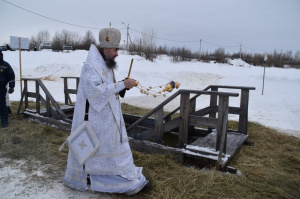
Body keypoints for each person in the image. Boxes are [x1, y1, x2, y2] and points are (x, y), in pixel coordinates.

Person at [63, 28, 148, 195]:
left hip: (107, 121)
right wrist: (122, 85)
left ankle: (117, 178)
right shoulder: (90, 67)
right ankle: (92, 181)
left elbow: (107, 89)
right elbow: (96, 93)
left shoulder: (104, 64)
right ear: (106, 49)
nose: (117, 54)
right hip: (94, 122)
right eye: (115, 50)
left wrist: (122, 86)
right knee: (95, 154)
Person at [0, 50, 15, 128]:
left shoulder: (5, 65)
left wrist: (12, 86)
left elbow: (11, 76)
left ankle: (4, 122)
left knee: (2, 105)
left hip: (1, 89)